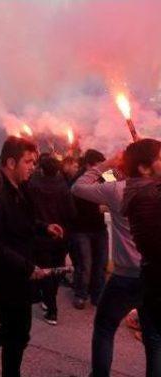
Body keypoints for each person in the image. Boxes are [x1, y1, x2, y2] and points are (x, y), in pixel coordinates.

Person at [0, 136, 64, 377]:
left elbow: (24, 222)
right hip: (0, 277)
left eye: (34, 162)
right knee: (18, 330)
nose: (34, 166)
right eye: (29, 162)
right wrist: (26, 267)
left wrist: (44, 227)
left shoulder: (21, 188)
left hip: (16, 273)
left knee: (18, 331)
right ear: (11, 163)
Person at [70, 151, 145, 377]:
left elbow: (79, 186)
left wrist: (106, 165)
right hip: (153, 272)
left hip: (126, 275)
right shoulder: (148, 188)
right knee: (154, 336)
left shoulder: (117, 189)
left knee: (104, 327)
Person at [121, 138, 161, 377]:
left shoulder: (138, 190)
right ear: (145, 168)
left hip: (149, 276)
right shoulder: (150, 196)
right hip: (155, 276)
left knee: (154, 339)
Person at [27, 155, 75, 325]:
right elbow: (71, 213)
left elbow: (29, 212)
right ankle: (49, 302)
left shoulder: (32, 185)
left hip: (41, 236)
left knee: (46, 271)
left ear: (41, 168)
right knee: (56, 270)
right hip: (60, 236)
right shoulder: (64, 187)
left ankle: (51, 309)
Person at [69, 149, 108, 309]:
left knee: (101, 263)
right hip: (81, 229)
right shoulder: (78, 180)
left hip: (99, 228)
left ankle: (97, 294)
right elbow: (76, 207)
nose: (101, 170)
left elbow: (121, 178)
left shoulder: (103, 176)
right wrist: (101, 207)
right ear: (88, 165)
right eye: (98, 166)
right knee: (85, 264)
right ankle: (81, 294)